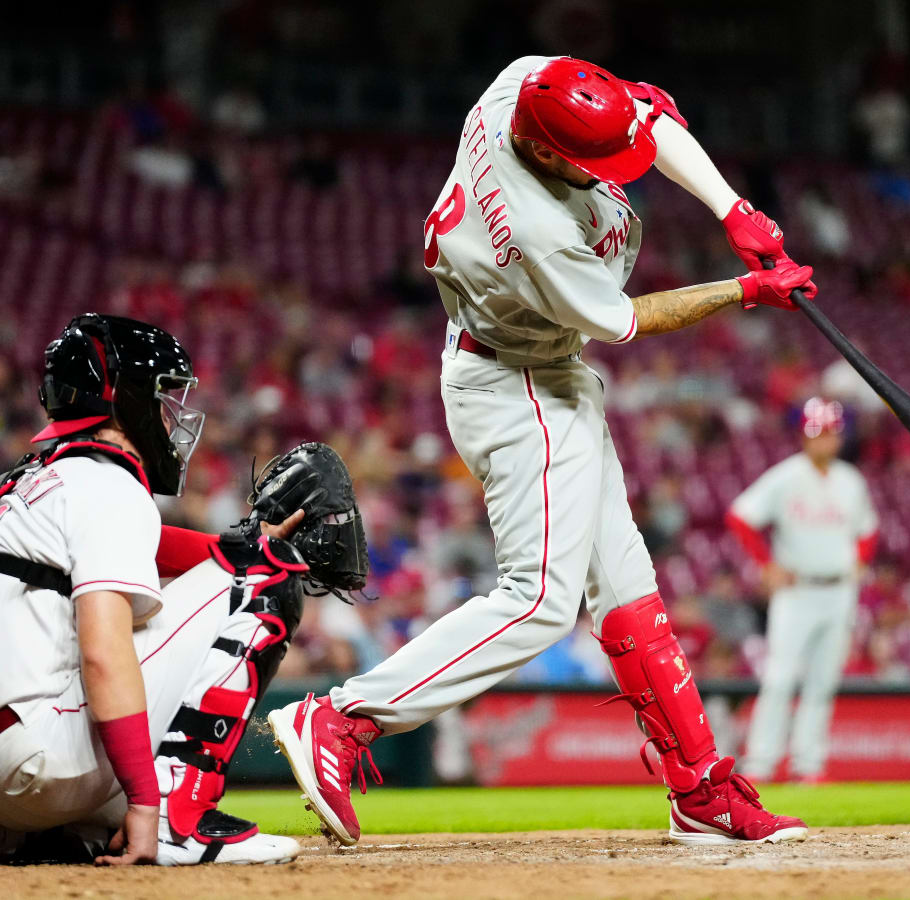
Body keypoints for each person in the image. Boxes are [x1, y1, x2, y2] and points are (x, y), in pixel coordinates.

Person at [269, 55, 817, 847]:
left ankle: (698, 788)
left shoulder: (525, 83)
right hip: (518, 385)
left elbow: (646, 120)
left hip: (538, 369)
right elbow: (632, 321)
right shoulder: (534, 234)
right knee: (538, 602)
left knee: (628, 589)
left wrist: (734, 211)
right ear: (554, 154)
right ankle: (342, 718)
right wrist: (745, 290)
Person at [0, 315, 345, 866]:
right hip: (38, 762)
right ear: (126, 397)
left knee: (251, 560)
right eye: (163, 395)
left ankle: (62, 829)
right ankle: (178, 818)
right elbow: (103, 652)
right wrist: (142, 798)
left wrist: (240, 543)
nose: (171, 414)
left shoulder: (27, 483)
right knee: (267, 576)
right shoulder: (107, 484)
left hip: (12, 767)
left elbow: (151, 542)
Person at [726, 398, 878, 782]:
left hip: (839, 591)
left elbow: (867, 530)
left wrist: (860, 560)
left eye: (830, 432)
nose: (825, 440)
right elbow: (740, 516)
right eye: (818, 433)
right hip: (797, 591)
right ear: (805, 435)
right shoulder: (786, 476)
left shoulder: (851, 480)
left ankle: (808, 765)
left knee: (823, 681)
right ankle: (760, 763)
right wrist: (766, 565)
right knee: (779, 677)